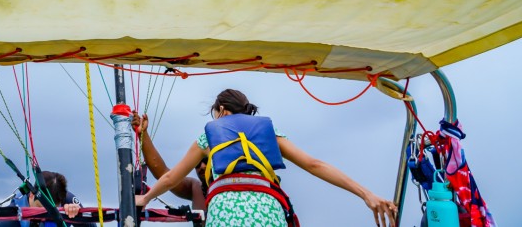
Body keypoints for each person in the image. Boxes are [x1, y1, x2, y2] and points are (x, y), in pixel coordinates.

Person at [134, 89, 398, 227]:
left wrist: (145, 198)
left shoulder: (209, 137)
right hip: (268, 212)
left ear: (221, 111)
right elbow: (315, 164)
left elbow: (168, 177)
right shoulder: (269, 132)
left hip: (226, 215)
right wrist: (366, 194)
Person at [132, 111, 207, 211]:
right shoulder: (196, 188)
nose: (202, 166)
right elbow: (163, 173)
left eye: (206, 160)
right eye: (197, 163)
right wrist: (143, 134)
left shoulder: (232, 182)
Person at [0, 171, 82, 227]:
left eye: (52, 210)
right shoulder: (9, 220)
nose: (45, 215)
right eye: (41, 208)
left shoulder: (69, 202)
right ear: (32, 194)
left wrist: (77, 216)